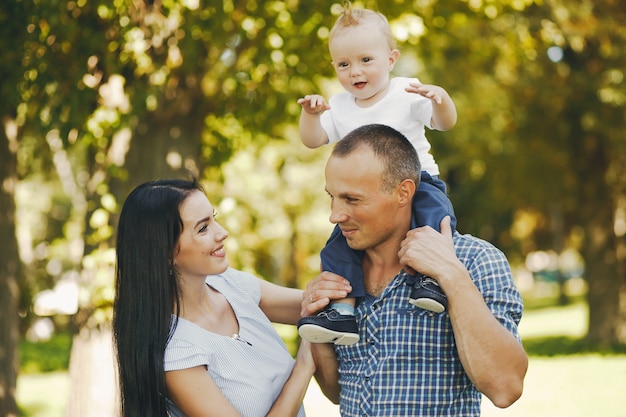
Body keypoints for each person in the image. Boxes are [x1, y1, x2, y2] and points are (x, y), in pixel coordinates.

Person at [301, 124, 528, 416]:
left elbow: (505, 387)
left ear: (403, 192)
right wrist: (316, 323)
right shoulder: (338, 270)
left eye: (352, 199)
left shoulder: (475, 260)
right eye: (331, 196)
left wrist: (451, 276)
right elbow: (337, 391)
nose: (335, 215)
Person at [296, 3, 458, 345]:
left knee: (433, 220)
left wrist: (441, 101)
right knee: (337, 247)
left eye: (366, 60)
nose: (355, 71)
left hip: (417, 179)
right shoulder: (338, 106)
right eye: (344, 64)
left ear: (391, 59)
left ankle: (430, 281)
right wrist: (311, 116)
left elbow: (443, 123)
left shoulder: (404, 92)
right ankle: (342, 311)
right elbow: (312, 141)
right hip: (365, 198)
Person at [112, 179, 314, 417]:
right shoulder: (177, 352)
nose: (222, 233)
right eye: (203, 228)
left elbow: (314, 307)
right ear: (165, 252)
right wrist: (303, 368)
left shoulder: (231, 283)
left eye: (214, 218)